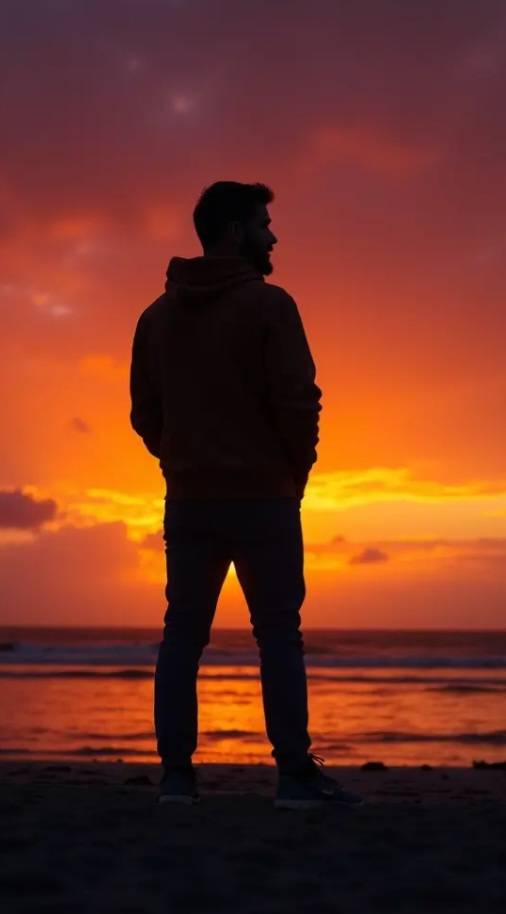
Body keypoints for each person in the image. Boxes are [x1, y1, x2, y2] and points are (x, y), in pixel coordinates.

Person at [129, 181, 364, 809]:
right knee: (278, 635)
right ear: (234, 231)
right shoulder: (270, 306)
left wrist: (181, 461)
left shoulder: (156, 317)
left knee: (183, 635)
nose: (273, 235)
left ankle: (177, 779)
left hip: (191, 499)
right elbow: (299, 401)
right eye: (263, 224)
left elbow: (144, 414)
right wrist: (295, 471)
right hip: (264, 497)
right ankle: (293, 777)